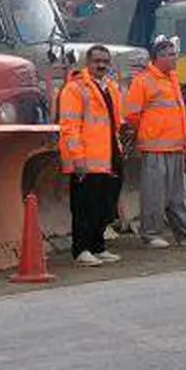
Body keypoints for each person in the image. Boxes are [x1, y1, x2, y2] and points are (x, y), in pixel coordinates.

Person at [124, 36, 186, 249]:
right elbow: (132, 114)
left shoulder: (172, 78)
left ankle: (185, 233)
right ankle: (151, 234)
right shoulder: (143, 81)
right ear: (158, 57)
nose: (175, 58)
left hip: (174, 145)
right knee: (154, 193)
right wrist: (150, 132)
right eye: (171, 54)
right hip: (155, 146)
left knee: (177, 194)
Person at [58, 45, 124, 266]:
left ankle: (98, 245)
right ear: (87, 63)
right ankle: (81, 249)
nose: (102, 65)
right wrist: (78, 158)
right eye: (97, 61)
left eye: (105, 61)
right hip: (87, 160)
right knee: (84, 207)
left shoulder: (110, 88)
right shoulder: (75, 89)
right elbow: (70, 126)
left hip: (107, 158)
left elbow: (114, 124)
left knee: (104, 206)